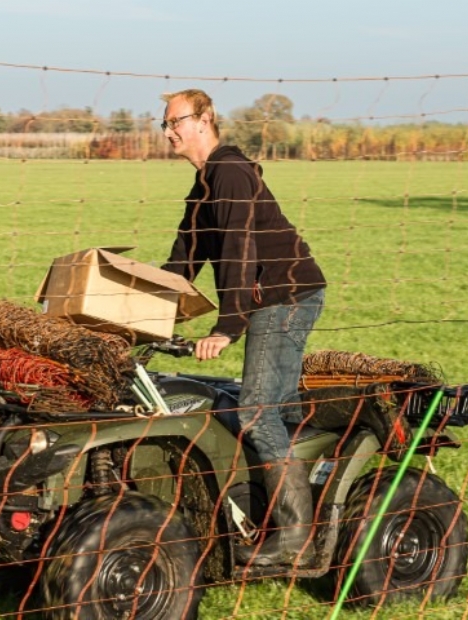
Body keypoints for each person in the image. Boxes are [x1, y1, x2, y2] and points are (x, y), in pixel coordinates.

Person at [158, 89, 327, 570]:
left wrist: (227, 326)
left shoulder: (229, 173)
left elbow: (239, 253)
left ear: (205, 120)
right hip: (268, 297)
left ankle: (296, 538)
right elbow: (183, 260)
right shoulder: (205, 184)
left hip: (285, 296)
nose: (168, 131)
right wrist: (139, 315)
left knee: (254, 410)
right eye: (164, 123)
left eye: (176, 121)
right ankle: (278, 495)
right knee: (275, 407)